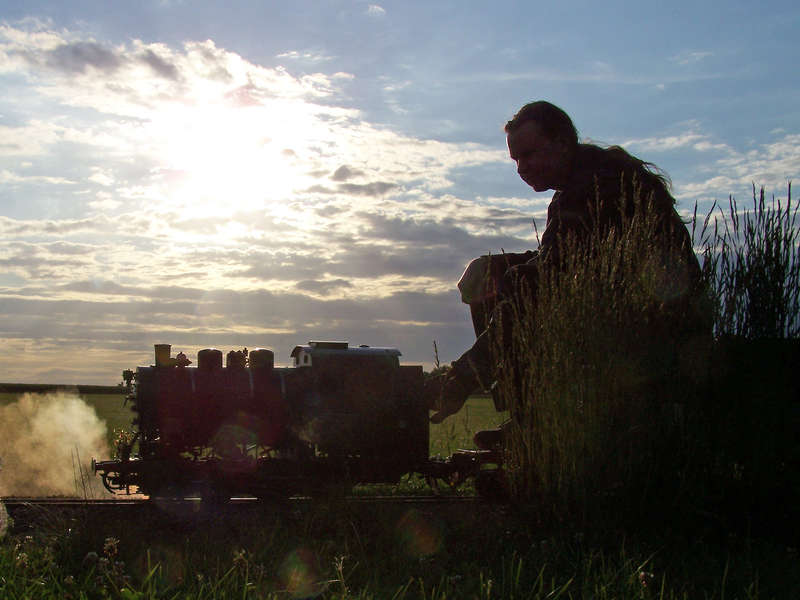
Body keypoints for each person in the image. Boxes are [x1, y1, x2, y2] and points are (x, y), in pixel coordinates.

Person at [426, 100, 707, 425]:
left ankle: (531, 421)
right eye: (516, 159)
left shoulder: (598, 186)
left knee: (519, 281)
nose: (522, 168)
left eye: (529, 154)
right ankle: (524, 413)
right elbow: (565, 257)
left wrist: (464, 374)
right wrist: (494, 266)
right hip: (626, 313)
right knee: (491, 272)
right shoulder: (580, 182)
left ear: (561, 142)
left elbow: (548, 278)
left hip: (654, 329)